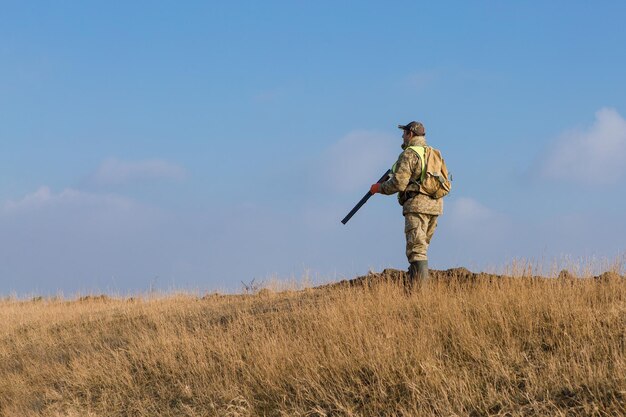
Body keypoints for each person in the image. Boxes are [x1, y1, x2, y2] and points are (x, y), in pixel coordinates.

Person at [369, 121, 443, 282]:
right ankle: (415, 283)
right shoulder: (433, 153)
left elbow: (398, 183)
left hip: (417, 206)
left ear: (410, 134)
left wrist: (378, 188)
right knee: (422, 247)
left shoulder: (409, 153)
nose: (402, 136)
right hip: (435, 207)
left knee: (416, 250)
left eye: (404, 133)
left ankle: (419, 294)